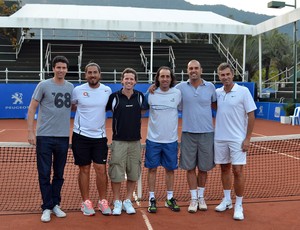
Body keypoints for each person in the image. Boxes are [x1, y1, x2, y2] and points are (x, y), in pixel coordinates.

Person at [27, 56, 74, 223]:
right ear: (53, 68)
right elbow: (32, 108)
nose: (61, 70)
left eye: (63, 67)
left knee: (59, 174)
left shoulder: (70, 87)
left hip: (62, 137)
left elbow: (75, 105)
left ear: (67, 70)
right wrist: (31, 132)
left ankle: (55, 204)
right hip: (44, 137)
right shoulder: (43, 85)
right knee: (44, 173)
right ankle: (47, 206)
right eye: (58, 67)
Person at [214, 63, 256, 221]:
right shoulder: (217, 92)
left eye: (227, 74)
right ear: (219, 76)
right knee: (224, 169)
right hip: (220, 138)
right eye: (222, 75)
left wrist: (247, 138)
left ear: (233, 75)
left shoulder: (243, 91)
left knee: (237, 171)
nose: (225, 77)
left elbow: (251, 115)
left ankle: (239, 204)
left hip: (237, 139)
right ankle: (227, 200)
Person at [71, 62, 112, 216]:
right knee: (84, 169)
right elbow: (73, 106)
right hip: (80, 136)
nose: (92, 75)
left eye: (95, 72)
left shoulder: (107, 90)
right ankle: (86, 202)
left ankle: (103, 201)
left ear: (99, 74)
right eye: (89, 72)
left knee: (101, 169)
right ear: (85, 74)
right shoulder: (77, 90)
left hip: (100, 137)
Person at [176, 60, 216, 213]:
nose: (193, 71)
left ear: (201, 70)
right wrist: (153, 88)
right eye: (190, 68)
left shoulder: (211, 87)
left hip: (207, 134)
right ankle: (193, 198)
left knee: (204, 168)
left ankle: (201, 197)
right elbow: (167, 94)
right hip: (188, 133)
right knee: (190, 168)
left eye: (196, 68)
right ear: (187, 71)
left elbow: (215, 105)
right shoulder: (180, 88)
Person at [106, 68, 145, 216]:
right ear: (122, 80)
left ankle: (128, 200)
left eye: (131, 79)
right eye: (126, 78)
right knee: (116, 173)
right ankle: (117, 201)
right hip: (118, 142)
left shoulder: (140, 97)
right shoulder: (114, 97)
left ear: (135, 81)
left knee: (134, 173)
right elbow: (107, 111)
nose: (129, 81)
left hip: (135, 142)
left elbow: (142, 111)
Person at [144, 66, 182, 213]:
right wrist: (149, 89)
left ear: (171, 78)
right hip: (153, 140)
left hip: (171, 140)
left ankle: (169, 198)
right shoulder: (151, 94)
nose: (165, 79)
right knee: (152, 169)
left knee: (170, 170)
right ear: (158, 78)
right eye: (162, 76)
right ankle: (152, 198)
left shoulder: (178, 93)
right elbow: (141, 108)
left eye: (167, 76)